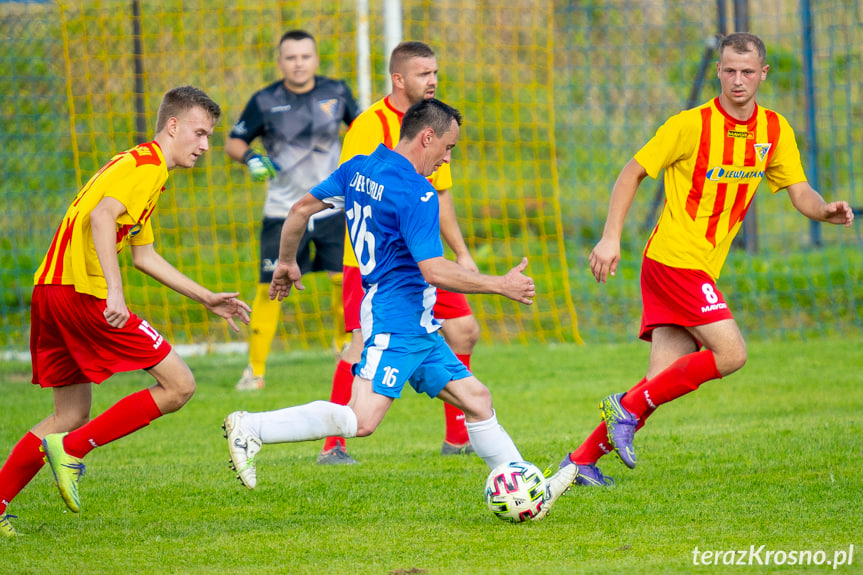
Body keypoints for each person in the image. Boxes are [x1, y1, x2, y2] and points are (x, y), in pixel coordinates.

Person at [222, 99, 577, 520]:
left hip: (415, 324)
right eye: (447, 148)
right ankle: (251, 427)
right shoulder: (417, 192)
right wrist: (501, 285)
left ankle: (525, 490)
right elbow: (434, 270)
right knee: (362, 419)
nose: (446, 158)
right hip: (395, 319)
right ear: (427, 137)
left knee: (477, 399)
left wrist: (286, 261)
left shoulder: (358, 168)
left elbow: (299, 211)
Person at [555, 32, 855, 487]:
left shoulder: (774, 131)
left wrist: (824, 210)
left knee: (657, 383)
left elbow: (800, 192)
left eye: (748, 72)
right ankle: (623, 410)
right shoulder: (689, 125)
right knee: (731, 353)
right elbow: (631, 172)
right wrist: (610, 237)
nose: (738, 81)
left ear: (763, 74)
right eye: (730, 70)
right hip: (674, 260)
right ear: (718, 70)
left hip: (695, 267)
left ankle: (579, 462)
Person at [0, 86, 251, 537]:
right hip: (84, 293)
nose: (205, 145)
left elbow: (145, 256)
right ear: (172, 126)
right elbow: (101, 217)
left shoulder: (138, 166)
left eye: (209, 136)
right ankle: (72, 451)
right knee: (179, 385)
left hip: (51, 289)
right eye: (199, 133)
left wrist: (205, 297)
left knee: (69, 413)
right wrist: (114, 293)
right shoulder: (147, 166)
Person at [317, 41, 481, 465]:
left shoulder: (437, 123)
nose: (433, 81)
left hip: (424, 262)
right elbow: (352, 192)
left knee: (464, 330)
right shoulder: (369, 126)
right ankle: (333, 445)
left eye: (436, 73)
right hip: (376, 265)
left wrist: (461, 253)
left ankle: (458, 440)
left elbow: (439, 196)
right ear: (399, 78)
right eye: (425, 73)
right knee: (359, 345)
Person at [227, 30, 359, 392]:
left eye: (305, 56)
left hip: (332, 206)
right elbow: (234, 140)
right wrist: (252, 158)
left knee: (343, 279)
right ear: (280, 62)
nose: (298, 63)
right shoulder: (265, 100)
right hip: (283, 211)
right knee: (271, 286)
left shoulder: (338, 92)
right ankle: (254, 370)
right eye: (291, 57)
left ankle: (344, 347)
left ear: (316, 60)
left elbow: (361, 129)